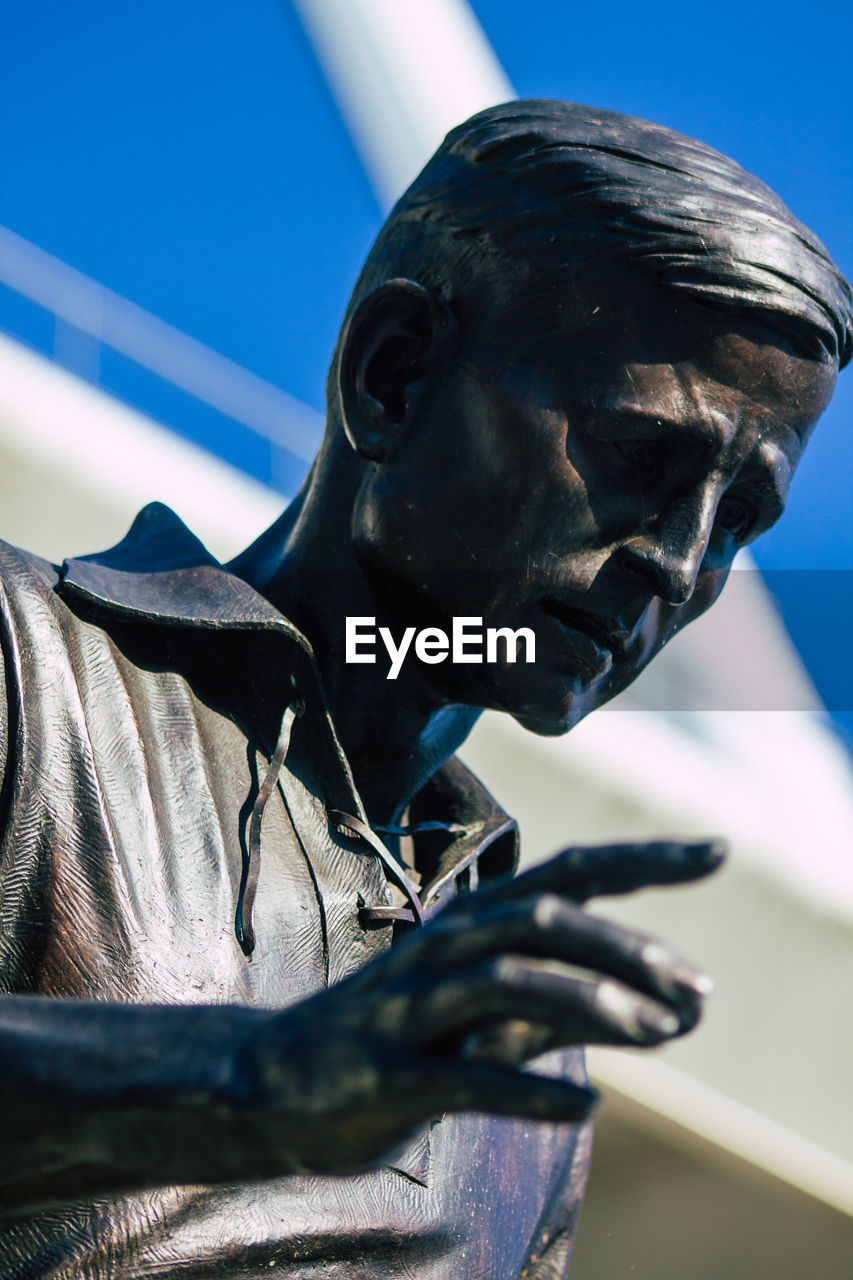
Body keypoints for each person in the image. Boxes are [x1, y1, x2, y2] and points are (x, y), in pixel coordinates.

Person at [0, 101, 849, 1279]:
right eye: (638, 454)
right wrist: (248, 1081)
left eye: (738, 521)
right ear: (394, 374)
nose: (678, 558)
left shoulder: (521, 1037)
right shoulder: (28, 670)